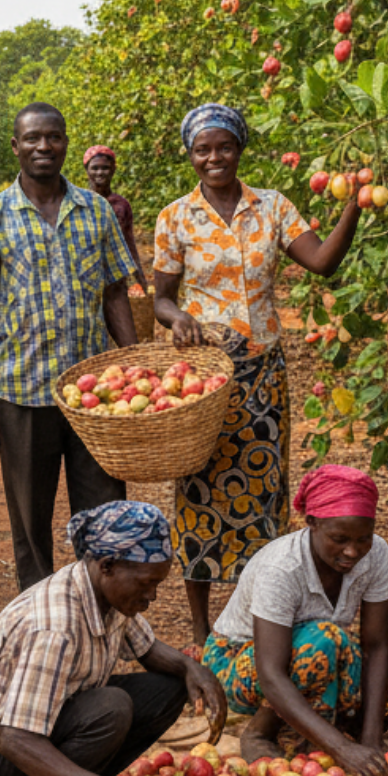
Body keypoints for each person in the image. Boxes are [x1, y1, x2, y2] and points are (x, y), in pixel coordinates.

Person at [153, 102, 364, 651]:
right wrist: (178, 320)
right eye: (203, 149)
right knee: (197, 491)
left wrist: (356, 207)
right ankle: (202, 629)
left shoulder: (271, 208)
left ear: (239, 148)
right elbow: (161, 299)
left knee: (265, 492)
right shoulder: (176, 216)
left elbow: (320, 262)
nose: (214, 157)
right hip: (205, 377)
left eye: (224, 146)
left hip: (264, 374)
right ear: (191, 155)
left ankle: (258, 617)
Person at [0, 501, 227, 776]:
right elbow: (15, 739)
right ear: (106, 566)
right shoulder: (55, 627)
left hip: (40, 722)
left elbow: (147, 649)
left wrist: (191, 668)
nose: (152, 596)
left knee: (168, 690)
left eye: (157, 584)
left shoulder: (107, 593)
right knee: (110, 708)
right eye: (146, 584)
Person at [0, 102, 142, 591]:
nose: (44, 146)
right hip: (22, 391)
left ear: (65, 143)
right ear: (16, 147)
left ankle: (104, 616)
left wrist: (137, 367)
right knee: (31, 527)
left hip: (93, 394)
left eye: (54, 137)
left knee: (107, 518)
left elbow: (115, 292)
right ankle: (39, 622)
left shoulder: (96, 210)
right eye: (33, 139)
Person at [201, 465, 388, 776]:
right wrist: (340, 749)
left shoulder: (376, 554)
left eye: (363, 539)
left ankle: (340, 729)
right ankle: (261, 732)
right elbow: (270, 672)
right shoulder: (282, 568)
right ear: (312, 523)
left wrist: (371, 740)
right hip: (240, 664)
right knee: (323, 638)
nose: (353, 551)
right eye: (339, 538)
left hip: (316, 655)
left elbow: (377, 645)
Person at [82, 145, 143, 277]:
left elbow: (128, 242)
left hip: (115, 274)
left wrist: (138, 277)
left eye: (105, 168)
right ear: (86, 170)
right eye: (95, 168)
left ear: (113, 170)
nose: (100, 172)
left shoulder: (121, 205)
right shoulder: (79, 202)